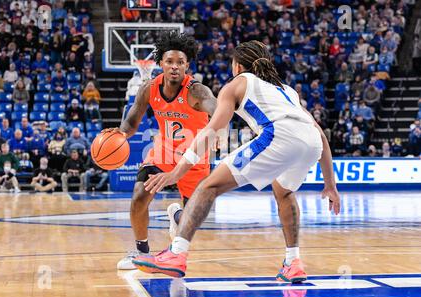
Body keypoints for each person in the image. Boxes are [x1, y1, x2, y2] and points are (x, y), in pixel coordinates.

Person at [133, 40, 340, 282]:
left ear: (237, 65)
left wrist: (177, 172)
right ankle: (293, 262)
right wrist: (330, 184)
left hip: (279, 135)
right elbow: (321, 137)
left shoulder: (236, 84)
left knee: (208, 186)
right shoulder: (286, 90)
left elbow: (210, 130)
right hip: (310, 142)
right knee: (283, 193)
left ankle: (176, 254)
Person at [102, 31, 217, 270]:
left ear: (187, 65)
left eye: (180, 62)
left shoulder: (197, 91)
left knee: (193, 220)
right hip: (163, 153)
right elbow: (131, 122)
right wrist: (121, 135)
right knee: (139, 197)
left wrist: (217, 127)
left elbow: (216, 108)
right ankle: (141, 251)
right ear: (161, 63)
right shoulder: (149, 89)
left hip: (194, 156)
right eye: (169, 61)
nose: (174, 67)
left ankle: (177, 217)